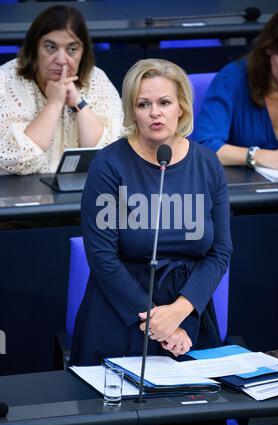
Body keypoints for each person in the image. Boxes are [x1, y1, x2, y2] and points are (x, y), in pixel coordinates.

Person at [70, 58, 232, 366]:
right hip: (122, 315)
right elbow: (102, 256)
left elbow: (221, 250)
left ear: (182, 106)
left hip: (190, 315)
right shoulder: (108, 165)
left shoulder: (208, 164)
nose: (155, 112)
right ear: (132, 112)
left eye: (164, 102)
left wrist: (179, 312)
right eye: (143, 104)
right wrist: (157, 325)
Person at [0, 5, 123, 175]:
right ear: (34, 48)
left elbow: (106, 154)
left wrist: (78, 103)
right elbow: (17, 159)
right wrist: (54, 104)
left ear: (83, 52)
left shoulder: (96, 79)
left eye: (72, 49)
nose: (61, 60)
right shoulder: (6, 80)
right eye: (50, 47)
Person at [197, 5, 278, 171]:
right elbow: (204, 147)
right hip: (243, 188)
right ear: (269, 49)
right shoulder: (232, 79)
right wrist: (259, 156)